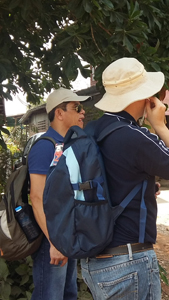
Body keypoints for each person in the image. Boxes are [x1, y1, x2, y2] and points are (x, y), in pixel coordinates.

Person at [80, 57, 169, 300]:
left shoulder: (91, 131)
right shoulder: (134, 137)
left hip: (93, 260)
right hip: (129, 260)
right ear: (143, 96)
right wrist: (161, 126)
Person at [29, 88, 90, 300]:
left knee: (69, 293)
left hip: (68, 234)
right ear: (59, 113)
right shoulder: (45, 147)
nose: (83, 113)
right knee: (50, 295)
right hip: (51, 238)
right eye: (77, 108)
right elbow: (36, 198)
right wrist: (54, 242)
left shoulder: (70, 145)